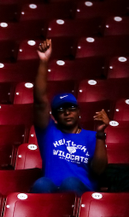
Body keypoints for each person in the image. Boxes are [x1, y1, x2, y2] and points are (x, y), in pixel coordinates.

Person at [31, 38, 110, 196]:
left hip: (81, 192)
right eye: (61, 110)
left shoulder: (92, 136)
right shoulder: (49, 132)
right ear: (54, 116)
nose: (67, 112)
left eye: (71, 108)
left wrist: (101, 134)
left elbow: (99, 170)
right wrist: (44, 61)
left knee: (70, 182)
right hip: (50, 193)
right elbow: (40, 101)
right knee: (41, 183)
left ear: (79, 112)